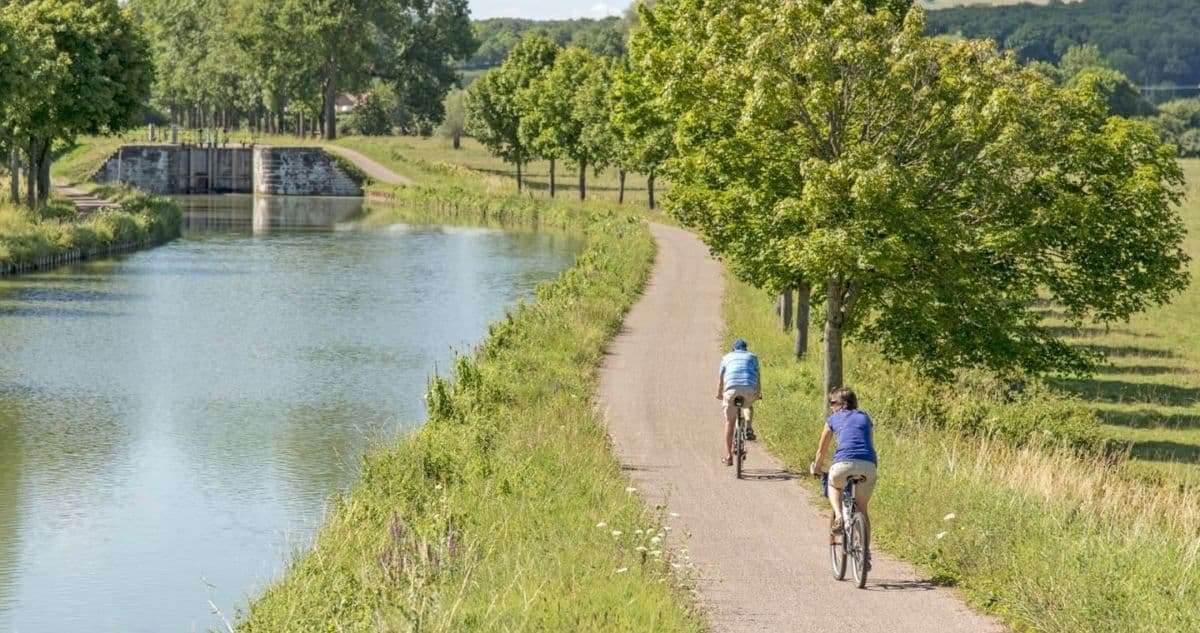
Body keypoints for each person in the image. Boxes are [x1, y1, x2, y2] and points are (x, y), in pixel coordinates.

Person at [809, 387, 877, 542]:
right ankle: (865, 554)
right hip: (868, 465)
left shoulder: (832, 420)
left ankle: (839, 516)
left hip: (843, 464)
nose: (831, 407)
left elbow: (822, 449)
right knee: (862, 509)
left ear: (842, 404)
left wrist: (817, 468)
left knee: (833, 485)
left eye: (833, 403)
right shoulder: (866, 418)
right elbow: (870, 444)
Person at [716, 338, 761, 466]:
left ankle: (729, 456)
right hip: (748, 388)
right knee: (748, 405)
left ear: (733, 349)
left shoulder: (726, 358)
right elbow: (758, 378)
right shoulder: (753, 357)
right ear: (746, 349)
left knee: (730, 422)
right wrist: (757, 394)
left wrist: (719, 394)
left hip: (731, 390)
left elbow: (720, 381)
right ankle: (748, 426)